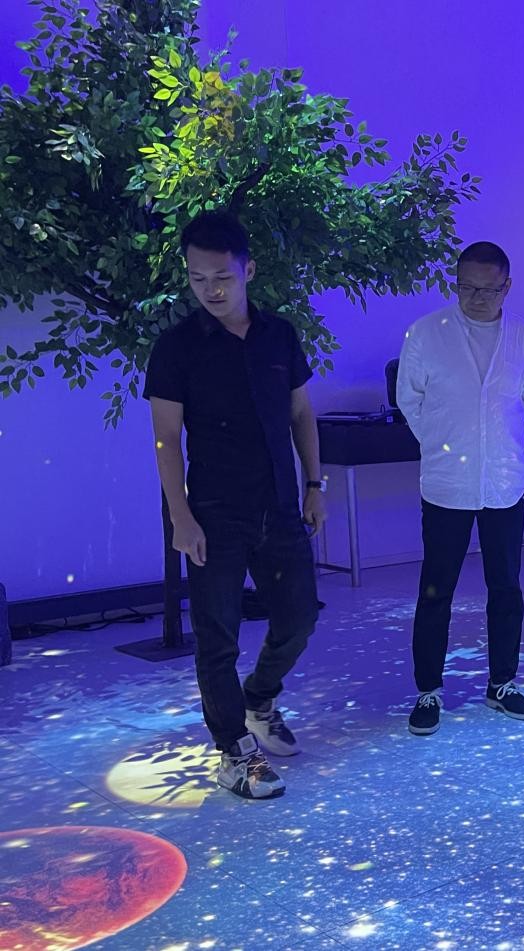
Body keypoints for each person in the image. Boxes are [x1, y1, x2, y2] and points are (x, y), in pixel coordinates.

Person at [145, 210, 325, 800]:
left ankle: (259, 699)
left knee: (299, 617)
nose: (212, 289)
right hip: (213, 512)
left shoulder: (279, 336)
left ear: (248, 270)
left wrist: (315, 485)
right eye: (198, 279)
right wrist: (181, 517)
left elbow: (301, 414)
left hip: (279, 504)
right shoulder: (176, 347)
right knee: (216, 637)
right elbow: (166, 439)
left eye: (222, 276)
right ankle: (234, 752)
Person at [396, 241, 524, 736]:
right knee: (436, 589)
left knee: (506, 587)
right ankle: (428, 690)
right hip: (447, 483)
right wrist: (444, 442)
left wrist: (490, 444)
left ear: (507, 286)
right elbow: (410, 399)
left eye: (488, 289)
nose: (477, 298)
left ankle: (502, 682)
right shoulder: (426, 333)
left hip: (504, 481)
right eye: (467, 287)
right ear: (455, 283)